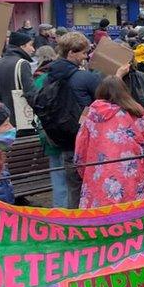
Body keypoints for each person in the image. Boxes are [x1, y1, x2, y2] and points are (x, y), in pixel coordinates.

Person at [75, 76, 144, 208]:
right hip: (130, 172)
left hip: (98, 173)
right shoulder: (135, 110)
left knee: (101, 214)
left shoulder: (89, 113)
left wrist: (83, 169)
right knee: (132, 213)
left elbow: (80, 146)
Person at [44, 32, 106, 208]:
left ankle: (72, 225)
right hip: (84, 141)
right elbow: (105, 101)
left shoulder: (50, 75)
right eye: (84, 53)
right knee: (88, 187)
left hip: (61, 140)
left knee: (73, 189)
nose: (86, 57)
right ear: (71, 52)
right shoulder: (84, 77)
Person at [31, 46, 68, 208]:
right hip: (69, 134)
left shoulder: (39, 80)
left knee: (58, 178)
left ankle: (60, 214)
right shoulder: (70, 77)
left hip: (49, 135)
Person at [0, 30, 36, 128]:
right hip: (22, 117)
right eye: (30, 45)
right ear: (22, 46)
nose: (33, 49)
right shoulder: (22, 63)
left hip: (6, 118)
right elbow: (31, 94)